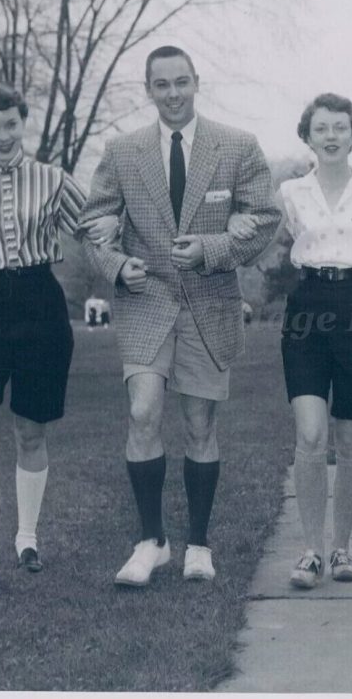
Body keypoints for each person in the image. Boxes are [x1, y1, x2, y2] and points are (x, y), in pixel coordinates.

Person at [78, 45, 280, 588]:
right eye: (161, 85)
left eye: (181, 82)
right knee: (143, 411)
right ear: (148, 89)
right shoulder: (122, 151)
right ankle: (151, 541)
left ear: (197, 82)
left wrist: (212, 249)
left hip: (209, 299)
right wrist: (119, 265)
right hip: (147, 300)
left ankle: (198, 543)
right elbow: (93, 221)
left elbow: (264, 217)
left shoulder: (237, 146)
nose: (172, 94)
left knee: (199, 424)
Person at [235, 93, 352, 588]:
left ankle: (342, 549)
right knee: (310, 433)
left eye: (339, 127)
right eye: (321, 128)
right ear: (307, 136)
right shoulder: (289, 192)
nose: (330, 136)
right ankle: (310, 550)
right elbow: (254, 243)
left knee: (349, 439)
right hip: (308, 307)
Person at [0, 81, 86, 588]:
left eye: (10, 124)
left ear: (23, 122)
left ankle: (26, 536)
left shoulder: (52, 180)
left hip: (38, 304)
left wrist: (127, 255)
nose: (2, 135)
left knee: (30, 429)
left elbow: (93, 226)